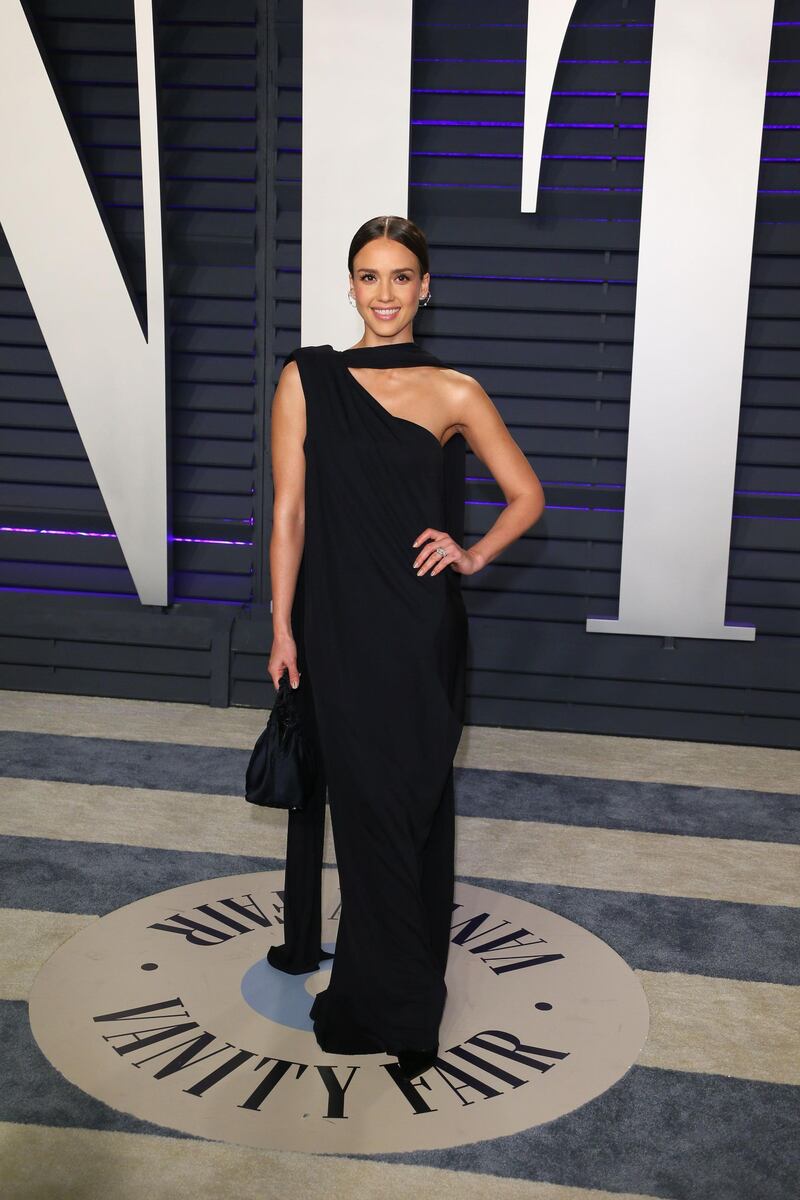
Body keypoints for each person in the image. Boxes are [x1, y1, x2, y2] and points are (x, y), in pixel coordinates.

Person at [266, 214, 545, 1080]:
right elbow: (289, 513)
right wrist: (281, 624)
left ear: (427, 288)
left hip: (421, 628)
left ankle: (403, 997)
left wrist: (474, 551)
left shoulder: (455, 390)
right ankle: (390, 995)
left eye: (400, 277)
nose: (384, 294)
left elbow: (527, 494)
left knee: (415, 804)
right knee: (364, 807)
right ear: (349, 286)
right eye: (368, 276)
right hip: (338, 627)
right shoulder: (306, 378)